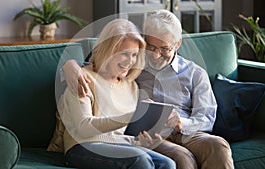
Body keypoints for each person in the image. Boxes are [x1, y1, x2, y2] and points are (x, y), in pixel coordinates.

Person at [63, 10, 234, 169]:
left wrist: (182, 123)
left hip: (187, 132)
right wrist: (70, 66)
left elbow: (206, 117)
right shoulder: (133, 63)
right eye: (151, 47)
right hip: (152, 134)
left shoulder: (194, 73)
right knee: (181, 157)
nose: (156, 55)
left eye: (164, 48)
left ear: (177, 43)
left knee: (218, 146)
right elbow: (100, 66)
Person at [58, 18, 176, 169]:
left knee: (168, 164)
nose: (130, 61)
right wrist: (131, 116)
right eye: (125, 54)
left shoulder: (131, 85)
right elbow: (83, 127)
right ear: (108, 51)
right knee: (140, 159)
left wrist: (141, 140)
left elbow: (123, 134)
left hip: (121, 146)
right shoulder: (82, 78)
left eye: (134, 55)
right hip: (82, 146)